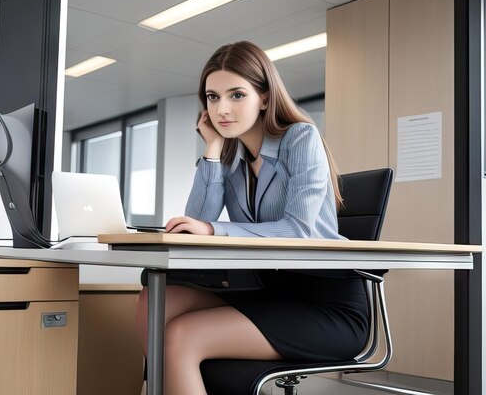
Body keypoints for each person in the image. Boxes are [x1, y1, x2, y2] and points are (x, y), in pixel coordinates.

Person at [135, 41, 369, 395]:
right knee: (154, 301)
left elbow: (299, 230)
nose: (222, 109)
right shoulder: (230, 157)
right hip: (270, 293)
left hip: (325, 307)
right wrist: (212, 151)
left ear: (264, 97)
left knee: (182, 336)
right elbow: (195, 225)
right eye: (213, 97)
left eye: (236, 95)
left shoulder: (301, 138)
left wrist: (214, 230)